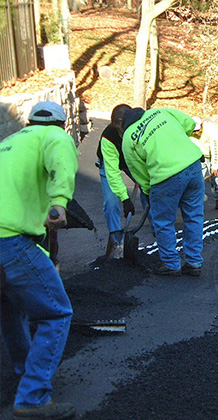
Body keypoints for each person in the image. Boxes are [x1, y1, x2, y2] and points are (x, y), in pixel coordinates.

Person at [0, 101, 78, 419]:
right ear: (60, 124)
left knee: (10, 310)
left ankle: (25, 370)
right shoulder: (52, 136)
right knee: (56, 314)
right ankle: (32, 397)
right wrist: (59, 203)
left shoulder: (8, 144)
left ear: (29, 121)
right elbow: (60, 152)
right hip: (12, 240)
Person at [121, 107, 205, 276]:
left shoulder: (128, 137)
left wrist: (148, 191)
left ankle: (171, 264)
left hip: (165, 177)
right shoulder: (161, 112)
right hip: (193, 166)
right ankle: (194, 262)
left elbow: (138, 171)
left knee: (164, 221)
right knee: (194, 216)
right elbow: (189, 123)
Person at [96, 104, 150, 257]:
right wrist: (126, 199)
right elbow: (113, 173)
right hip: (109, 162)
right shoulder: (109, 136)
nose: (119, 131)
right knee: (111, 202)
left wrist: (142, 176)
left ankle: (157, 230)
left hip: (132, 162)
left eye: (119, 127)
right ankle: (116, 237)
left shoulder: (140, 126)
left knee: (149, 192)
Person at [191, 117, 218, 210]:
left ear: (201, 126)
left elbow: (215, 150)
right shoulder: (188, 132)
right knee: (197, 177)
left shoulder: (211, 131)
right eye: (193, 131)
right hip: (201, 154)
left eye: (197, 130)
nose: (195, 133)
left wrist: (215, 167)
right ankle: (194, 200)